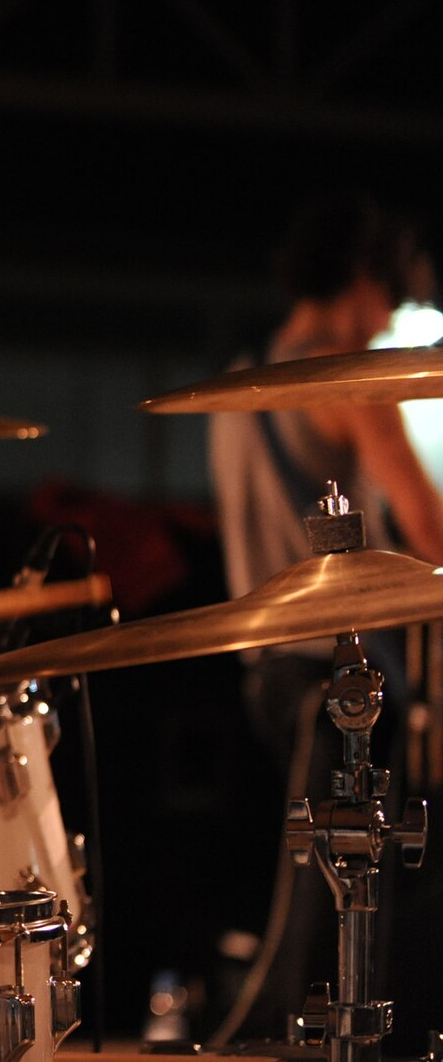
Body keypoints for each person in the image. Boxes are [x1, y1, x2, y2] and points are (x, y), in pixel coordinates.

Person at [206, 192, 440, 1045]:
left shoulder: (244, 377)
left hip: (265, 667)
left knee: (322, 893)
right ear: (361, 280)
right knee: (329, 918)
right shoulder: (344, 380)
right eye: (388, 289)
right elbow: (427, 524)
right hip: (336, 682)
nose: (389, 314)